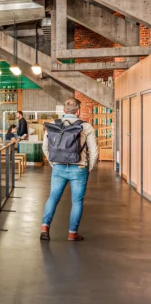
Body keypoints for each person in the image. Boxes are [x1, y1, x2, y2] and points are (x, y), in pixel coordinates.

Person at [40, 98, 98, 242]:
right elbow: (94, 151)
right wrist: (89, 166)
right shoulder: (86, 127)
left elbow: (45, 147)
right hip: (79, 167)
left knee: (53, 197)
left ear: (64, 110)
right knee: (77, 201)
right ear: (78, 110)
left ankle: (44, 227)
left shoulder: (53, 125)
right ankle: (72, 233)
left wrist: (53, 163)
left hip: (58, 167)